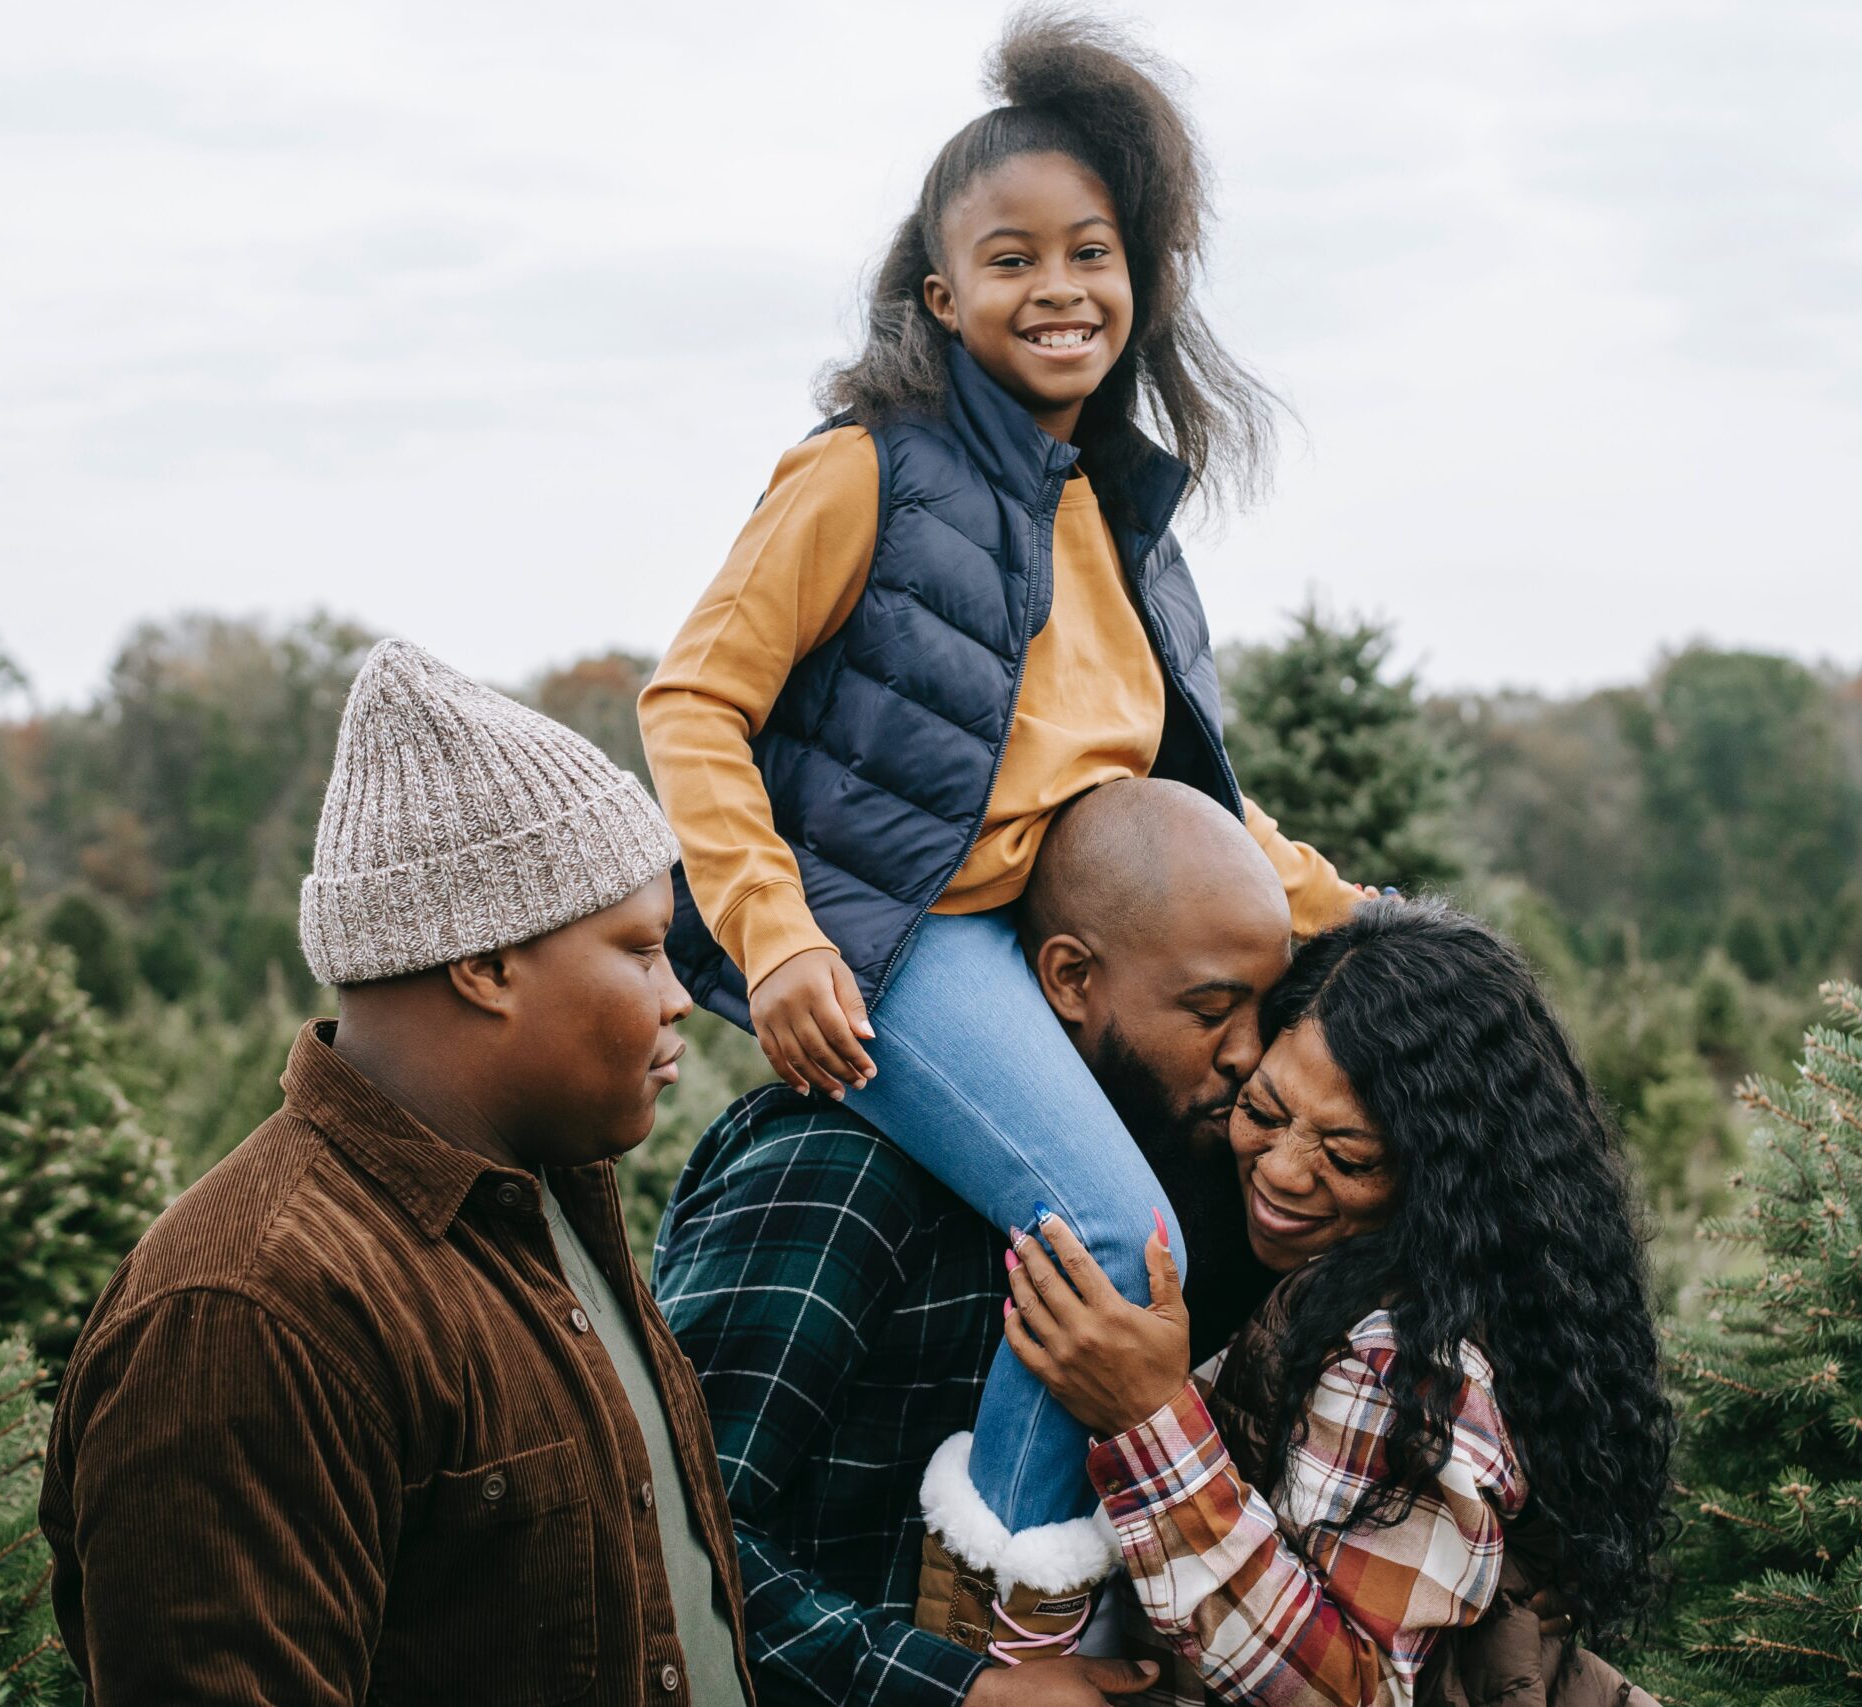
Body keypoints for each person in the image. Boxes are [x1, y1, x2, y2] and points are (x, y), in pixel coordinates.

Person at [636, 12, 1370, 1649]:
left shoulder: (1115, 514)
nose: (1061, 288)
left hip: (1043, 924)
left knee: (1227, 1178)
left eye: (1093, 253)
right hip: (897, 939)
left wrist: (1356, 911)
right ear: (941, 296)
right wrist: (780, 932)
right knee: (1115, 1230)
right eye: (1013, 256)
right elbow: (691, 703)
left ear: (1139, 279)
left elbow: (1187, 796)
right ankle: (1003, 1615)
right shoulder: (863, 474)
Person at [40, 641, 753, 1706]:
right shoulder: (249, 1314)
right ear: (486, 962)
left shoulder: (551, 1209)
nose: (677, 997)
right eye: (641, 948)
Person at [653, 779, 1290, 1707]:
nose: (1247, 1054)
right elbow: (661, 1533)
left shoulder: (1184, 1196)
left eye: (1262, 1015)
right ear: (1071, 978)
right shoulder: (840, 1173)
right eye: (1209, 1009)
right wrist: (961, 1692)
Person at [1004, 902, 1675, 1707]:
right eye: (1261, 1111)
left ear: (1442, 1182)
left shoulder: (1411, 1365)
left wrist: (1152, 1420)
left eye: (1348, 1155)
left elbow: (1356, 1692)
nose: (1283, 1170)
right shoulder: (1347, 1273)